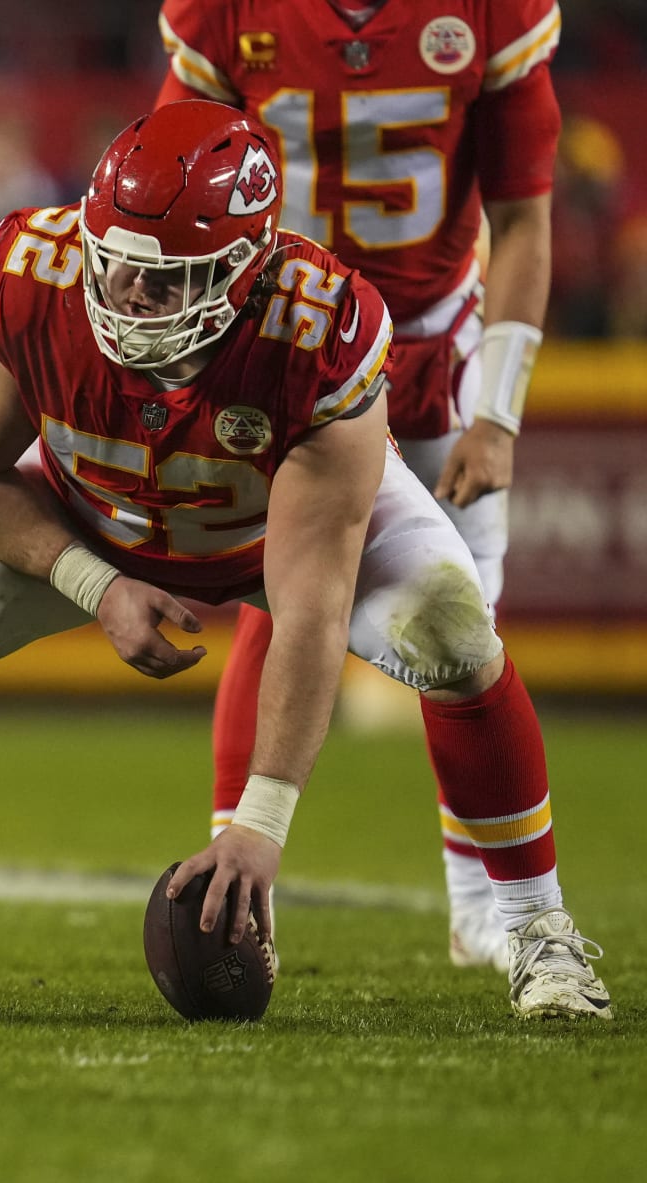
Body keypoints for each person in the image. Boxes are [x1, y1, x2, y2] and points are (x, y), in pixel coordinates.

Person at [0, 101, 610, 1022]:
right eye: (114, 265)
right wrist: (95, 585)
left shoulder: (320, 329)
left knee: (454, 632)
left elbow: (308, 609)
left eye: (164, 280)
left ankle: (540, 930)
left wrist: (259, 825)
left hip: (265, 528)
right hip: (94, 512)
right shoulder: (33, 272)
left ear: (244, 270)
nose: (127, 296)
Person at [155, 0, 564, 971]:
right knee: (278, 601)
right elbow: (172, 181)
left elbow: (523, 219)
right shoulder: (230, 14)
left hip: (432, 347)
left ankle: (484, 907)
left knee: (468, 637)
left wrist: (498, 416)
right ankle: (234, 892)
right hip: (286, 343)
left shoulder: (486, 12)